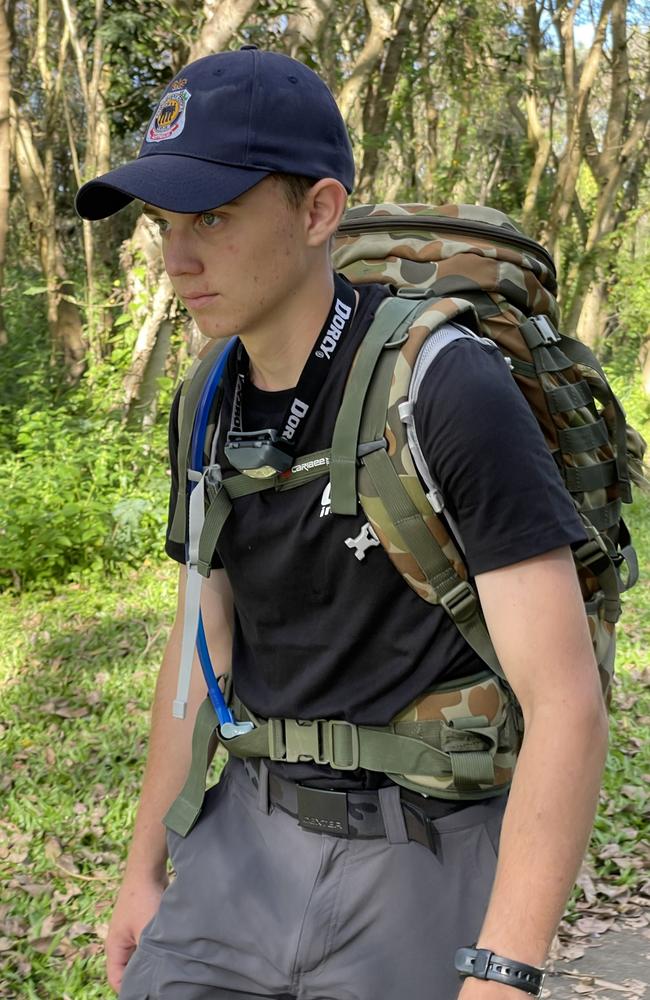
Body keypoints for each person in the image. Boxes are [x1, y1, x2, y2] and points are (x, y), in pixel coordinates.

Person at [76, 46, 609, 1000]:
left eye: (212, 217)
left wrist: (502, 972)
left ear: (318, 211)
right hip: (244, 839)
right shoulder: (207, 398)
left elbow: (566, 699)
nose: (177, 257)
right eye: (164, 223)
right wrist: (141, 867)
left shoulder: (446, 388)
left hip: (423, 848)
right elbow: (201, 640)